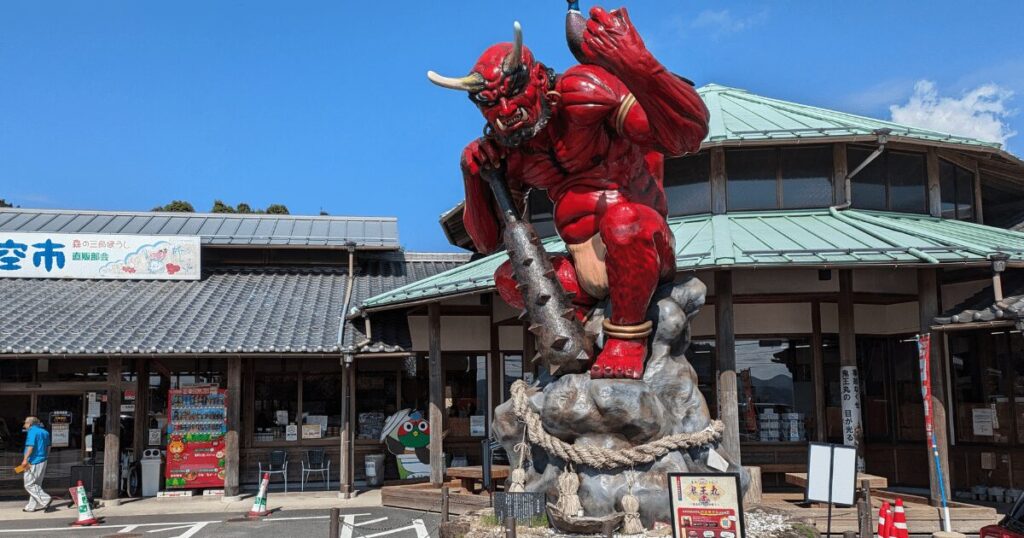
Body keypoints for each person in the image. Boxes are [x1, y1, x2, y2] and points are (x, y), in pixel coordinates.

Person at [21, 416, 52, 512]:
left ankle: (45, 499)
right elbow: (48, 447)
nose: (24, 425)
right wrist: (45, 457)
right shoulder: (45, 432)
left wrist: (25, 460)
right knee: (36, 484)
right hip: (43, 460)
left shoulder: (32, 432)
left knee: (29, 484)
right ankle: (31, 506)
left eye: (25, 423)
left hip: (33, 461)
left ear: (30, 424)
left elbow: (30, 446)